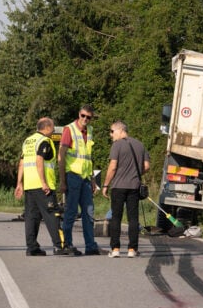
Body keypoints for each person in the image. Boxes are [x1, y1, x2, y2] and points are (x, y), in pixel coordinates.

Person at [15, 116, 71, 256]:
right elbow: (39, 160)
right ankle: (59, 246)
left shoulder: (28, 141)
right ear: (46, 128)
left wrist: (19, 184)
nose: (53, 130)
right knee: (52, 214)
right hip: (43, 186)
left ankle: (32, 247)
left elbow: (22, 163)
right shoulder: (44, 141)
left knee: (31, 216)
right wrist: (44, 182)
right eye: (52, 127)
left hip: (29, 185)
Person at [101, 121, 150, 258]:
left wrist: (105, 185)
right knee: (133, 219)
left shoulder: (117, 145)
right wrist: (135, 173)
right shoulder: (140, 145)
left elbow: (113, 166)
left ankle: (115, 249)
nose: (111, 135)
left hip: (118, 186)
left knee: (116, 217)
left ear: (120, 130)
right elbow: (146, 166)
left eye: (112, 131)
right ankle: (132, 250)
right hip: (134, 186)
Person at [58, 105, 101, 256]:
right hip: (73, 176)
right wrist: (62, 181)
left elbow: (88, 158)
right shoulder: (69, 129)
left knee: (89, 212)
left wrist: (93, 179)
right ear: (79, 114)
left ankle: (90, 246)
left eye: (88, 117)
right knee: (71, 212)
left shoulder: (89, 131)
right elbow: (61, 156)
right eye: (83, 116)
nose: (85, 119)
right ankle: (67, 245)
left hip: (85, 178)